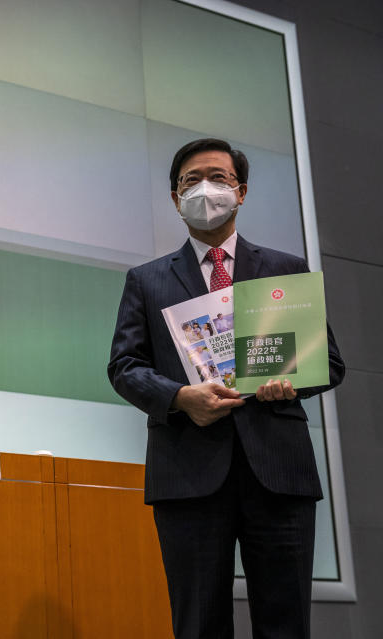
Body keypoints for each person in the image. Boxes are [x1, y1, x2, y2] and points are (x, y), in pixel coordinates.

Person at [107, 138, 345, 639]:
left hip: (277, 470)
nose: (205, 189)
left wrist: (291, 384)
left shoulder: (286, 269)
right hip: (188, 473)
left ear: (241, 191)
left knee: (286, 624)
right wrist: (179, 397)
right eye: (191, 181)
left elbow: (327, 362)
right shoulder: (146, 280)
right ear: (175, 198)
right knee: (198, 624)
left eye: (218, 178)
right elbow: (125, 366)